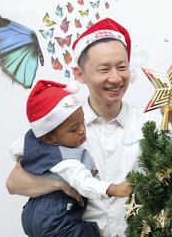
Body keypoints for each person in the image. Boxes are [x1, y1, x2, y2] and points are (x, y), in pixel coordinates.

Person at [6, 18, 172, 237]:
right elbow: (14, 183)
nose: (115, 78)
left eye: (122, 67)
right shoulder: (61, 125)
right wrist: (62, 184)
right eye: (104, 69)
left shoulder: (148, 123)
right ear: (80, 75)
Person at [21, 80, 131, 237]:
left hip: (31, 212)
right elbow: (84, 183)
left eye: (83, 122)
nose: (82, 130)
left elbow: (15, 149)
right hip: (55, 220)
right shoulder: (67, 161)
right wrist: (112, 189)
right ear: (49, 138)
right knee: (92, 233)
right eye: (74, 129)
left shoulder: (35, 142)